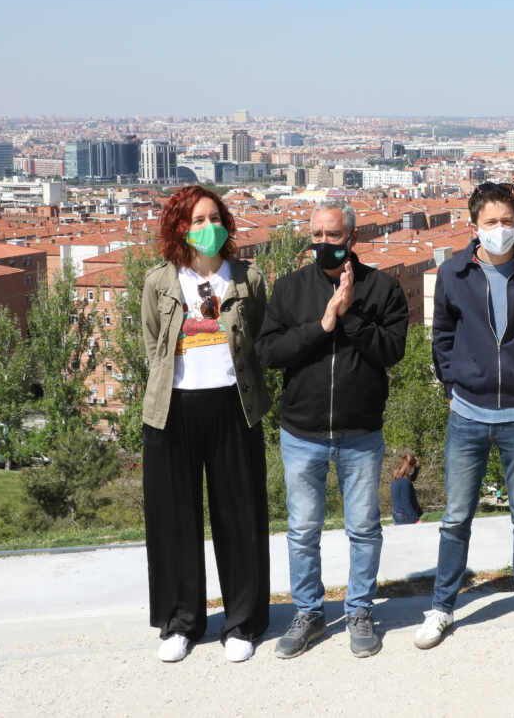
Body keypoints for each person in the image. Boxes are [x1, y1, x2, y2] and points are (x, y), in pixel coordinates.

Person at [418, 181, 514, 651]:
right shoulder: (453, 273)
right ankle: (442, 606)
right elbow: (441, 334)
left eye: (508, 220)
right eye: (491, 222)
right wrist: (451, 385)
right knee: (455, 516)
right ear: (474, 226)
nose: (501, 229)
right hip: (467, 411)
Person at [257, 201, 409, 660]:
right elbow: (269, 352)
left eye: (333, 236)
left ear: (352, 239)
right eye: (317, 235)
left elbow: (391, 351)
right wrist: (323, 324)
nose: (323, 244)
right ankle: (308, 612)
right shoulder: (288, 289)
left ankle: (360, 610)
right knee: (303, 530)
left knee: (363, 528)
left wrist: (350, 316)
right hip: (301, 432)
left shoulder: (382, 288)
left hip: (360, 433)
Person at [141, 186, 271, 664]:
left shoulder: (247, 278)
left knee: (240, 517)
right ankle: (181, 622)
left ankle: (244, 621)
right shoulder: (159, 282)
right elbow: (152, 344)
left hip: (235, 406)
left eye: (214, 217)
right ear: (179, 227)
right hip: (172, 409)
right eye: (196, 220)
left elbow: (258, 336)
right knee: (173, 519)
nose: (207, 227)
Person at [391, 453, 423, 525]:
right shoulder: (405, 482)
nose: (416, 472)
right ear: (411, 467)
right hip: (406, 518)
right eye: (415, 468)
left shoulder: (396, 481)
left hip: (399, 516)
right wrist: (416, 520)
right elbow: (406, 503)